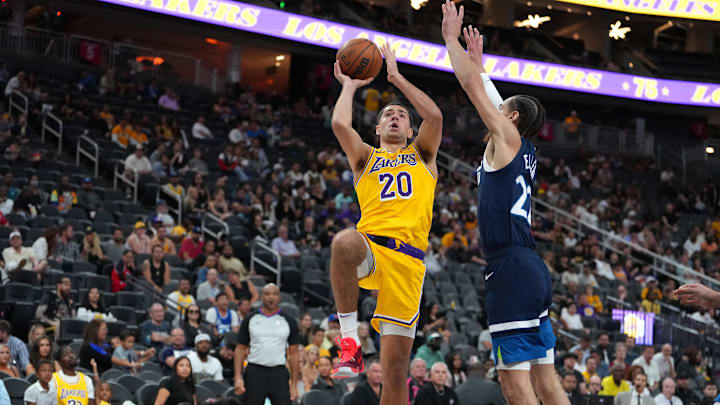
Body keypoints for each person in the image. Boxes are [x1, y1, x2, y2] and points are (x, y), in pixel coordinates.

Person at [441, 8, 566, 405]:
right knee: (547, 382)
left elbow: (469, 87)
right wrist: (482, 67)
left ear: (509, 118)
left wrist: (450, 40)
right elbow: (492, 96)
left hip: (511, 270)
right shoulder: (523, 147)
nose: (493, 110)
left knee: (515, 385)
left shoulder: (506, 138)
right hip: (529, 267)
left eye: (502, 109)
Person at [328, 38, 443, 405]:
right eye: (387, 115)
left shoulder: (423, 155)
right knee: (344, 242)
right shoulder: (365, 158)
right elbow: (339, 124)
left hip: (408, 264)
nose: (395, 116)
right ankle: (350, 343)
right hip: (372, 248)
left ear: (411, 131)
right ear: (377, 129)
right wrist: (349, 86)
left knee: (395, 376)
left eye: (402, 116)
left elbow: (436, 117)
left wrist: (396, 77)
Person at [233, 284, 301, 404]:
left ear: (279, 297)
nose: (271, 297)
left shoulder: (289, 321)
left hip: (279, 373)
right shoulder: (250, 319)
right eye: (267, 294)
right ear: (261, 296)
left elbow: (294, 354)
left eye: (274, 294)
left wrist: (294, 384)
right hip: (255, 372)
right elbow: (240, 349)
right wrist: (238, 377)